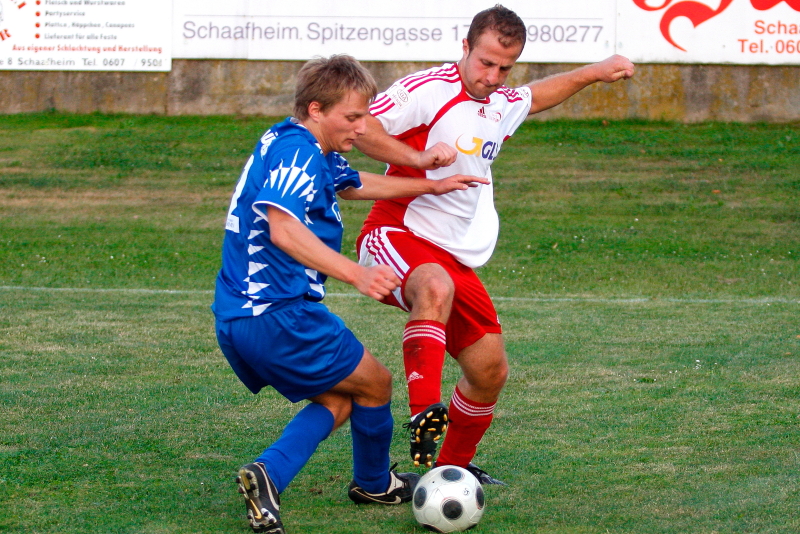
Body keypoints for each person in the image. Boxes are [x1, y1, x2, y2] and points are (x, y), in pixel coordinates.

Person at [353, 4, 636, 484]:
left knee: (489, 371)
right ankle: (424, 415)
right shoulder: (427, 89)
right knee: (435, 287)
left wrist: (594, 72)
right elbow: (364, 128)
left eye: (505, 67)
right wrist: (418, 158)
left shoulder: (501, 102)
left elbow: (537, 96)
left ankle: (450, 473)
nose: (492, 76)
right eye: (485, 62)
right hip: (398, 232)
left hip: (453, 255)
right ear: (465, 47)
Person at [211, 54, 488, 534]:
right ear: (316, 109)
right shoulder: (299, 152)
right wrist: (356, 274)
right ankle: (373, 483)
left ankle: (269, 474)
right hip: (277, 313)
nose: (362, 129)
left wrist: (432, 186)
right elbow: (282, 228)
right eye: (353, 117)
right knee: (376, 383)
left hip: (241, 315)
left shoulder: (295, 141)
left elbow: (354, 183)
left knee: (342, 399)